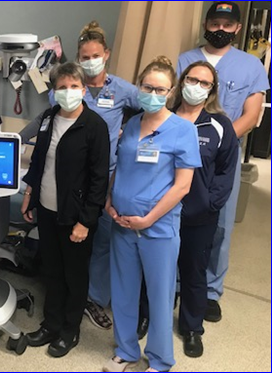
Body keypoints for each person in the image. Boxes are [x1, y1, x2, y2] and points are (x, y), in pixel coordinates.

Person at [102, 56, 201, 373]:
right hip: (121, 223)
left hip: (157, 229)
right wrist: (109, 199)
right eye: (147, 87)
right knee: (123, 292)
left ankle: (160, 360)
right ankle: (127, 350)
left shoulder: (182, 130)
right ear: (139, 86)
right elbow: (123, 167)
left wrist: (148, 219)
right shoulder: (132, 123)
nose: (153, 94)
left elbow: (182, 186)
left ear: (171, 92)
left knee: (159, 297)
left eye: (161, 89)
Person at [177, 1, 270, 323]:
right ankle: (177, 283)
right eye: (215, 23)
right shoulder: (186, 60)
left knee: (216, 227)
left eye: (227, 25)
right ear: (205, 24)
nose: (220, 29)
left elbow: (252, 114)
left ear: (238, 29)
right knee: (173, 219)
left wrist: (219, 143)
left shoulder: (252, 66)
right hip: (179, 156)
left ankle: (210, 291)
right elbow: (173, 102)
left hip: (219, 160)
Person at [21, 62, 110, 358]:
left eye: (74, 87)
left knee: (74, 274)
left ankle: (70, 330)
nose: (68, 92)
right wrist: (30, 195)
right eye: (62, 87)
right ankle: (51, 323)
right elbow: (38, 163)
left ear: (84, 90)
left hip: (76, 217)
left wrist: (86, 221)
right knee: (52, 271)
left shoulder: (94, 126)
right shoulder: (48, 118)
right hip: (47, 209)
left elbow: (99, 180)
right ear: (54, 91)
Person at [75, 21, 141, 331]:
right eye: (85, 57)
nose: (90, 62)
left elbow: (153, 109)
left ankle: (95, 297)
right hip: (74, 177)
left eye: (95, 55)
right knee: (73, 238)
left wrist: (130, 134)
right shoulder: (72, 87)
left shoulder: (122, 90)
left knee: (102, 240)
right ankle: (71, 291)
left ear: (107, 54)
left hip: (106, 179)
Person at [172, 61, 238, 357]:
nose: (196, 87)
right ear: (182, 80)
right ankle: (146, 317)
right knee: (154, 270)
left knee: (193, 272)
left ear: (212, 90)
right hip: (160, 213)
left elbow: (226, 173)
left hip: (199, 215)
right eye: (192, 79)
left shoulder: (219, 126)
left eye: (204, 83)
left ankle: (191, 328)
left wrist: (210, 203)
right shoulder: (164, 116)